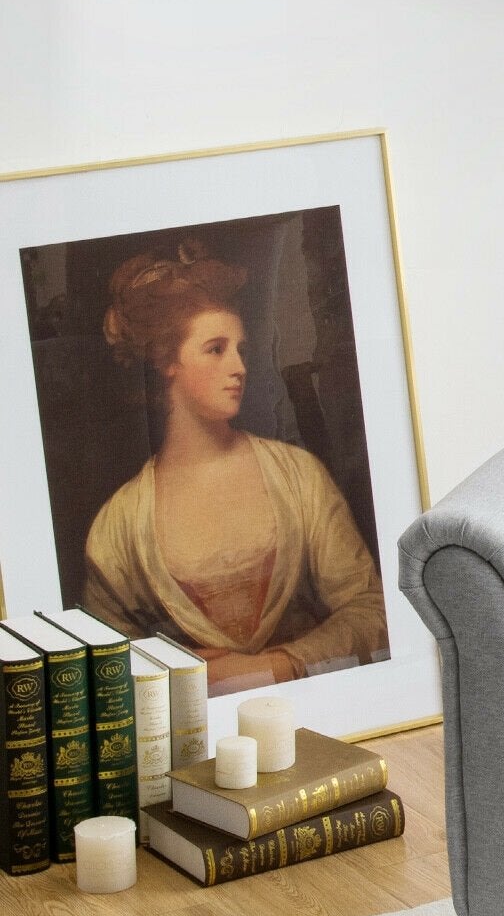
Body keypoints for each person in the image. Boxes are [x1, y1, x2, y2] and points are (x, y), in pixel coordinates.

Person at [82, 240, 389, 689]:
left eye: (241, 350)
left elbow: (373, 613)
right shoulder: (118, 527)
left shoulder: (299, 476)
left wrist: (272, 667)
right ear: (168, 362)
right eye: (216, 348)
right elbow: (102, 674)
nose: (239, 366)